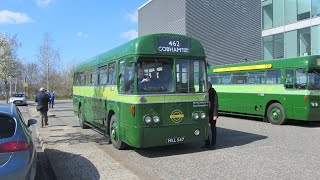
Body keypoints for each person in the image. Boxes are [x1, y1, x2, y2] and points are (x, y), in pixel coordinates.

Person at [203, 81, 219, 149]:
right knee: (205, 129)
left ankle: (213, 145)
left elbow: (216, 104)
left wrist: (215, 115)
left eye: (207, 85)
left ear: (210, 85)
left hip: (212, 113)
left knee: (213, 129)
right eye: (205, 85)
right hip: (206, 113)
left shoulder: (213, 92)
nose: (205, 86)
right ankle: (207, 143)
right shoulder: (204, 92)